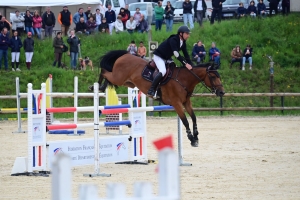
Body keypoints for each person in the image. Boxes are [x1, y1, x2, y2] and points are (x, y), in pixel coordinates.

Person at [147, 26, 193, 97]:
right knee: (163, 71)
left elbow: (186, 54)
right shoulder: (173, 40)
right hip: (159, 56)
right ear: (181, 34)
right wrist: (185, 64)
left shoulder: (183, 42)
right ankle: (151, 89)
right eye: (187, 34)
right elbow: (176, 54)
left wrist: (191, 64)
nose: (188, 36)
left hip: (167, 58)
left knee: (175, 70)